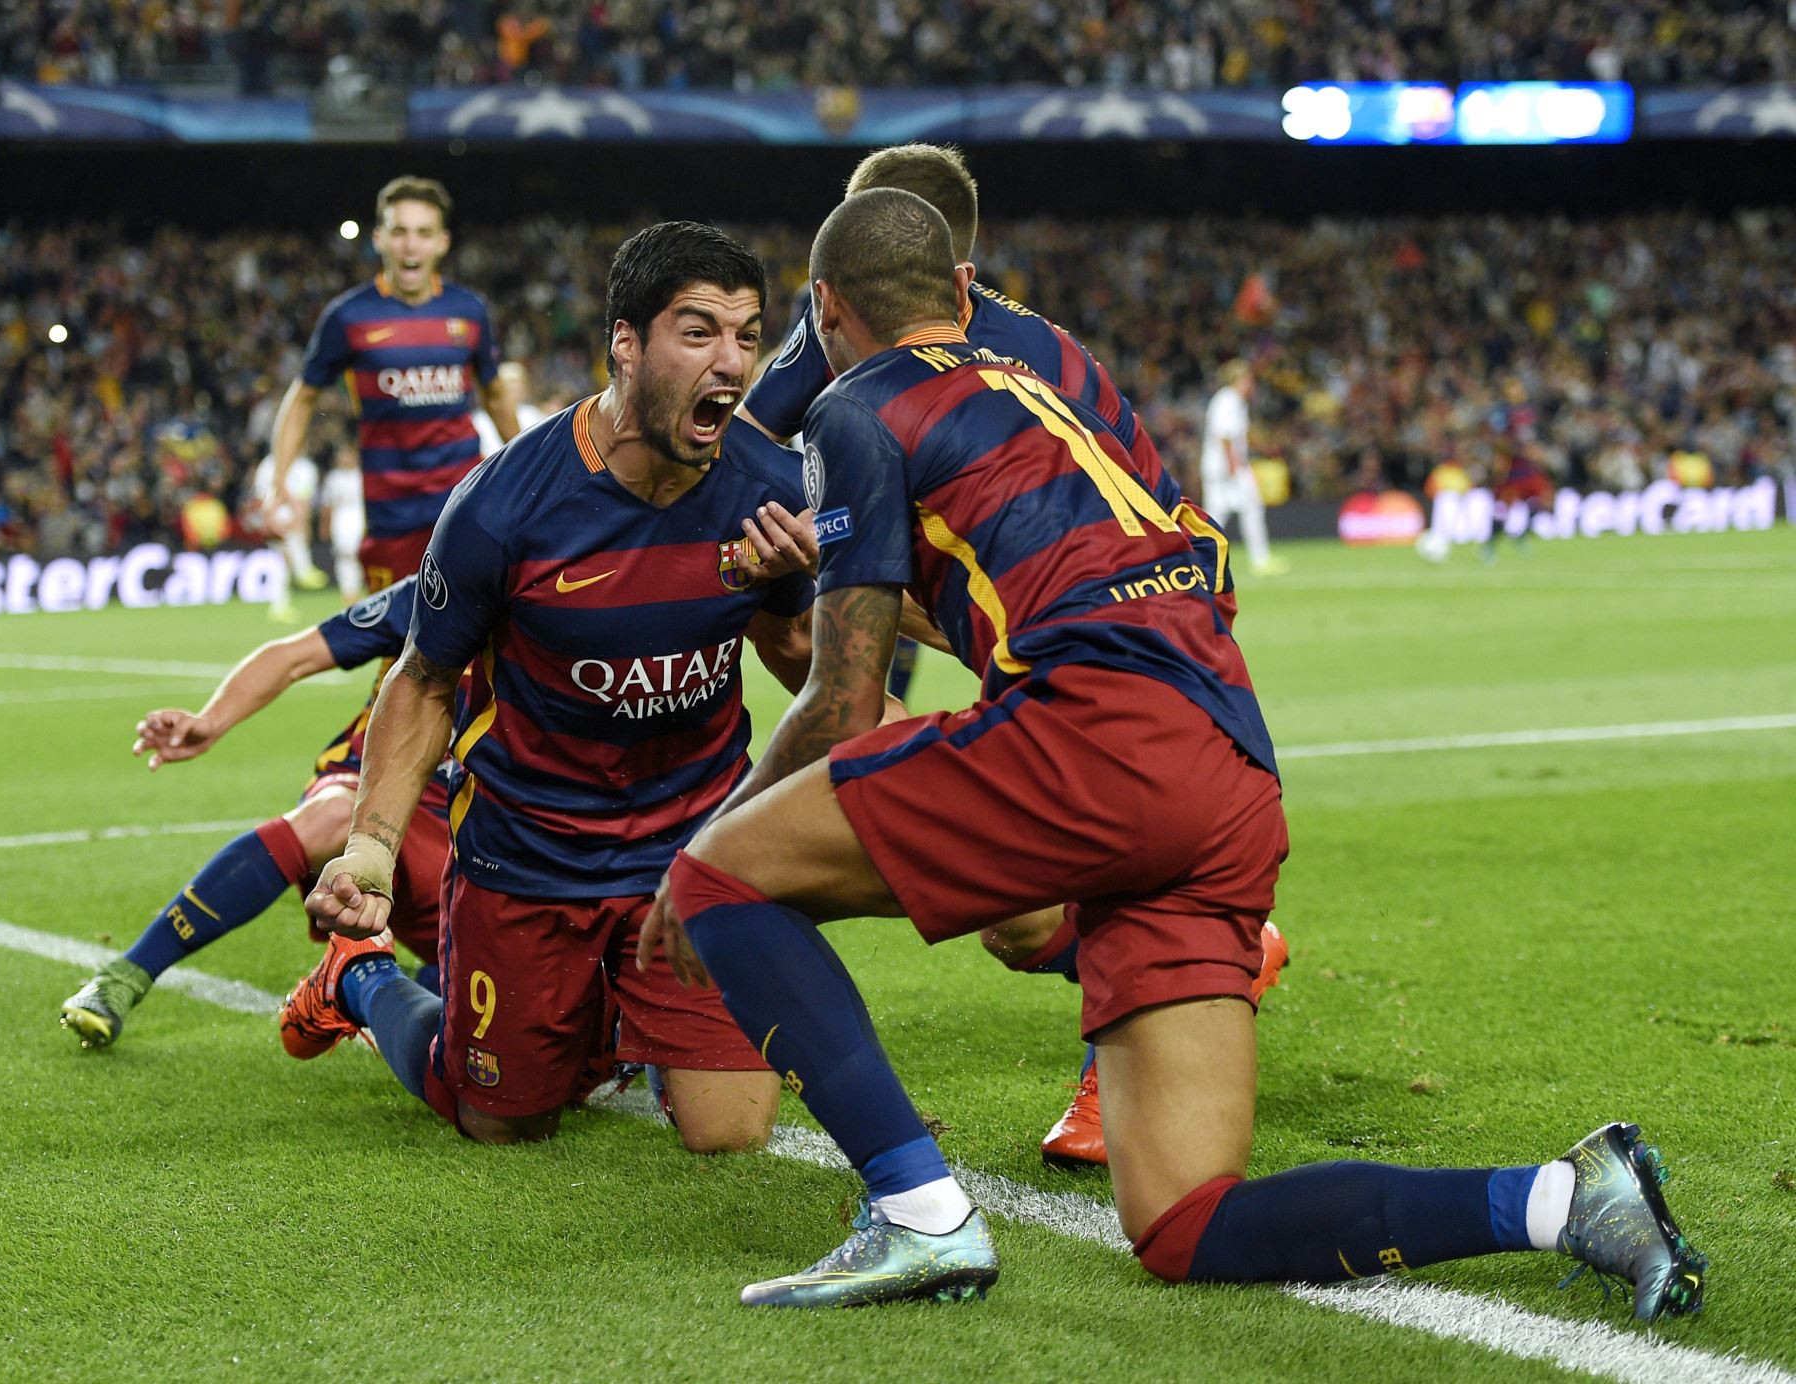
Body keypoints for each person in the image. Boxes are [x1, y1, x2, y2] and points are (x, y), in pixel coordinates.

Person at [636, 189, 1706, 1318]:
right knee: (1186, 1221)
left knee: (722, 876)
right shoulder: (1059, 397)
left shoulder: (853, 408)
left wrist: (703, 846)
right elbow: (1090, 583)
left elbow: (841, 703)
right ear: (963, 294)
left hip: (1097, 739)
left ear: (825, 310)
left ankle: (917, 1217)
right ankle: (1562, 1199)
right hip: (1226, 765)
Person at [740, 140, 1288, 1167]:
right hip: (1090, 607)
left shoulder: (983, 358)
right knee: (795, 626)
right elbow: (749, 441)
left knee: (1023, 904)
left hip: (1096, 625)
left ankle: (1176, 989)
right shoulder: (952, 341)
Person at [290, 222, 823, 1154]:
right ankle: (362, 979)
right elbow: (422, 680)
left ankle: (619, 1019)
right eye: (698, 332)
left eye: (747, 335)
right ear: (625, 341)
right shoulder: (505, 503)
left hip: (689, 848)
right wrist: (372, 849)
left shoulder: (771, 484)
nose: (732, 362)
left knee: (730, 1134)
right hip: (529, 853)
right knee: (499, 1118)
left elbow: (797, 651)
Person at [59, 575, 449, 1048]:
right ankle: (126, 975)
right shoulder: (442, 589)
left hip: (481, 829)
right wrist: (211, 720)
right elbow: (293, 657)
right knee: (331, 818)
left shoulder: (556, 619)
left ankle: (354, 981)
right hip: (375, 790)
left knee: (523, 1013)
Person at [268, 175, 521, 594]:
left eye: (423, 233)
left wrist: (524, 467)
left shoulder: (469, 311)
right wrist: (280, 485)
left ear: (442, 242)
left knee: (482, 647)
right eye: (400, 232)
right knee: (397, 651)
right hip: (391, 515)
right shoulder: (348, 317)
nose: (410, 245)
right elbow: (302, 399)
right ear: (380, 239)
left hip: (465, 507)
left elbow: (495, 394)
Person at [1200, 359, 1287, 577]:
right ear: (1238, 379)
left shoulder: (1233, 401)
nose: (1251, 384)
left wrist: (1263, 447)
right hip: (1225, 469)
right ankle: (1260, 560)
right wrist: (1235, 469)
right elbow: (1225, 437)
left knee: (1218, 517)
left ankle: (1199, 560)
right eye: (1248, 379)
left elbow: (1238, 436)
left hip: (1220, 469)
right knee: (1244, 510)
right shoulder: (1228, 400)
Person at [247, 448, 329, 619]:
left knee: (283, 563)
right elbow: (261, 495)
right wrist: (268, 518)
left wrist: (300, 521)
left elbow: (304, 501)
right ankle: (303, 569)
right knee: (284, 559)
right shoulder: (270, 464)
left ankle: (280, 605)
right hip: (276, 517)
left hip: (294, 518)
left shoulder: (305, 467)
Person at [318, 444, 368, 600]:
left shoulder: (362, 476)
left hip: (359, 518)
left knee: (361, 557)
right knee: (344, 559)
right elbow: (327, 506)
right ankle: (349, 595)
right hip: (341, 521)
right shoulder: (333, 478)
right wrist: (324, 526)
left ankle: (365, 594)